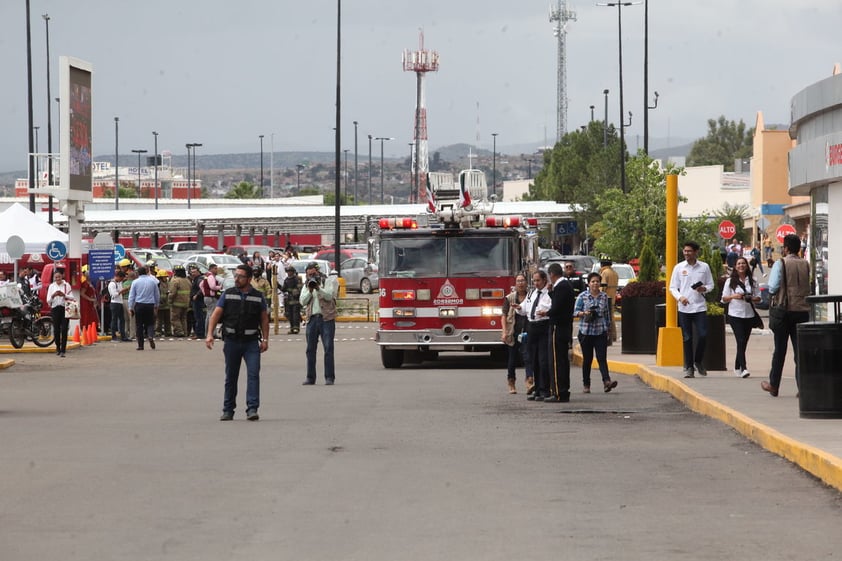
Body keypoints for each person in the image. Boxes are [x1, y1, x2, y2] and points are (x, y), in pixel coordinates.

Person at [206, 264, 269, 421]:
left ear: (248, 279)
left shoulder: (257, 296)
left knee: (253, 375)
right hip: (232, 342)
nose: (237, 279)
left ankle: (252, 409)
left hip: (251, 343)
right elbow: (215, 315)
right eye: (236, 276)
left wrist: (266, 340)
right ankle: (228, 410)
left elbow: (264, 319)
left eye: (240, 276)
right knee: (231, 376)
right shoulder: (228, 294)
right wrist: (209, 335)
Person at [762, 233, 811, 397]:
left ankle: (774, 384)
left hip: (784, 311)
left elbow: (773, 287)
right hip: (803, 311)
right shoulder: (806, 264)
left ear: (786, 248)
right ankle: (803, 388)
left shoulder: (780, 263)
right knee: (800, 352)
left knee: (780, 350)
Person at [669, 241, 715, 378]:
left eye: (689, 251)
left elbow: (710, 284)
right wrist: (680, 297)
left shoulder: (704, 267)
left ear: (696, 252)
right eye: (685, 251)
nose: (686, 253)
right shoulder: (678, 267)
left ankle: (698, 361)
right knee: (687, 338)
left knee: (703, 335)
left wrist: (704, 289)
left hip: (699, 306)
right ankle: (689, 367)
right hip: (684, 308)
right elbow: (672, 287)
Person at [574, 272, 618, 393]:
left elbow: (607, 314)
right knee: (587, 359)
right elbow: (575, 312)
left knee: (601, 358)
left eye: (597, 281)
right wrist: (584, 313)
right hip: (586, 332)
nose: (595, 284)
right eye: (593, 281)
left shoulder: (604, 296)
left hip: (600, 332)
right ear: (588, 283)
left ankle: (606, 381)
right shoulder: (582, 296)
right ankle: (586, 384)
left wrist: (608, 329)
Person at [300, 261, 338, 385]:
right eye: (309, 275)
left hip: (326, 319)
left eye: (313, 274)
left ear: (318, 272)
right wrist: (310, 290)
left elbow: (329, 296)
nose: (311, 277)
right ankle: (310, 377)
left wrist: (318, 288)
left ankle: (329, 377)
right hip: (312, 319)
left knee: (328, 348)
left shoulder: (327, 281)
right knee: (310, 350)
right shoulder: (306, 285)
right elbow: (302, 301)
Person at [516, 270, 551, 401]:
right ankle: (537, 389)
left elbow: (549, 308)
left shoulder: (549, 294)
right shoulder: (531, 293)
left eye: (538, 280)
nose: (536, 283)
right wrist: (519, 308)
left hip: (543, 325)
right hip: (532, 326)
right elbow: (525, 308)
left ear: (544, 280)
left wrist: (545, 312)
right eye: (534, 281)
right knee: (533, 359)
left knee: (543, 359)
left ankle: (545, 389)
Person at [722, 257, 759, 379]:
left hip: (748, 314)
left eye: (743, 263)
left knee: (744, 342)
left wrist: (750, 298)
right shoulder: (730, 281)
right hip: (735, 314)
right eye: (738, 264)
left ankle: (737, 366)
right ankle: (744, 368)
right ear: (735, 266)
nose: (741, 266)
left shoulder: (753, 280)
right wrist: (735, 296)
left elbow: (759, 298)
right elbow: (724, 298)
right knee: (740, 340)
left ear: (747, 266)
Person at [545, 262, 574, 402]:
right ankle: (562, 390)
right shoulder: (564, 286)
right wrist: (551, 292)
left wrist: (545, 313)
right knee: (562, 360)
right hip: (564, 326)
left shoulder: (561, 286)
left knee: (556, 360)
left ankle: (558, 392)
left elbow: (556, 308)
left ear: (552, 274)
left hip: (558, 326)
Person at [501, 273, 532, 395]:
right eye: (518, 281)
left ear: (526, 282)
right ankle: (511, 382)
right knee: (512, 359)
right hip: (513, 332)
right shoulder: (509, 298)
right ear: (515, 283)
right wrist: (504, 332)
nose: (521, 283)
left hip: (528, 331)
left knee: (528, 357)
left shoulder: (531, 296)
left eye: (523, 281)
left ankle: (529, 381)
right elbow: (503, 315)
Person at [128, 266, 160, 351]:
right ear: (146, 272)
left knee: (139, 325)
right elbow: (157, 294)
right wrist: (156, 305)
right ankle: (150, 335)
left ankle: (140, 345)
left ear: (138, 273)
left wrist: (130, 307)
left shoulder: (135, 282)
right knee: (150, 323)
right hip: (150, 305)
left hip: (139, 305)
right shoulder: (152, 281)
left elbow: (132, 296)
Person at [46, 270, 74, 357]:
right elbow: (48, 300)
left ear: (62, 276)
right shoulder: (51, 286)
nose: (58, 279)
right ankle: (58, 347)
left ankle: (63, 350)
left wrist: (64, 295)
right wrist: (53, 295)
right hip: (55, 309)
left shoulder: (66, 285)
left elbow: (72, 297)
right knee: (56, 330)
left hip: (65, 308)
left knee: (64, 329)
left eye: (59, 277)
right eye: (56, 277)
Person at [598, 258, 619, 345]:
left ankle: (608, 337)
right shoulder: (614, 273)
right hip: (612, 297)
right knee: (611, 318)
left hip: (605, 298)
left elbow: (602, 286)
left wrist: (598, 296)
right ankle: (613, 336)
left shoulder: (605, 272)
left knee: (606, 319)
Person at [169, 266, 192, 337]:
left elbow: (172, 292)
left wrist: (170, 300)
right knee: (183, 318)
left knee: (175, 318)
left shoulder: (176, 281)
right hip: (186, 303)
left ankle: (179, 332)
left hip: (177, 303)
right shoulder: (187, 280)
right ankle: (185, 332)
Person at [202, 264, 223, 336]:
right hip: (211, 298)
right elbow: (213, 286)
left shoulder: (206, 276)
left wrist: (204, 292)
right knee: (212, 315)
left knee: (209, 315)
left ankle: (207, 332)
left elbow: (201, 285)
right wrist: (220, 287)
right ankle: (212, 333)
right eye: (215, 268)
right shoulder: (211, 276)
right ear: (211, 269)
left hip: (207, 297)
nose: (216, 270)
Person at [108, 270, 130, 341]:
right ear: (117, 277)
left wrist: (124, 290)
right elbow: (114, 295)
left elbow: (120, 292)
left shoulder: (119, 283)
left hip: (120, 302)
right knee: (114, 319)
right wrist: (122, 291)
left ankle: (123, 336)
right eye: (121, 278)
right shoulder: (112, 284)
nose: (121, 280)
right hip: (114, 303)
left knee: (122, 320)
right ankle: (113, 336)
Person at [281, 265, 302, 334]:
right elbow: (283, 289)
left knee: (295, 315)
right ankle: (292, 328)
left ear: (293, 272)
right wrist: (278, 285)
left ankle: (296, 328)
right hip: (289, 300)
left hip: (296, 300)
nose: (289, 273)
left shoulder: (297, 279)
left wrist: (293, 291)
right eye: (288, 272)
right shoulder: (286, 280)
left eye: (290, 271)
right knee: (290, 315)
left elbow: (299, 289)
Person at [188, 264, 205, 340]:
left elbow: (202, 288)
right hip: (196, 301)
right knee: (197, 317)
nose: (192, 273)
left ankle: (200, 334)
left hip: (198, 301)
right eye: (192, 272)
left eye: (194, 272)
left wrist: (196, 295)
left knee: (199, 318)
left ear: (198, 272)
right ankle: (199, 333)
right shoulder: (195, 279)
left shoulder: (199, 279)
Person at [79, 266, 99, 331]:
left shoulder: (90, 283)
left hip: (90, 303)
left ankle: (91, 328)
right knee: (86, 315)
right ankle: (86, 327)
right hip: (86, 303)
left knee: (91, 315)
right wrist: (90, 299)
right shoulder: (85, 284)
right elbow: (82, 293)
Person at [155, 269, 172, 337]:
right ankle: (158, 332)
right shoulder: (158, 284)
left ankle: (168, 331)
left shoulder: (168, 283)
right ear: (160, 277)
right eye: (164, 277)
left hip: (167, 305)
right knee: (159, 320)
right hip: (160, 305)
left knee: (167, 320)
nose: (166, 278)